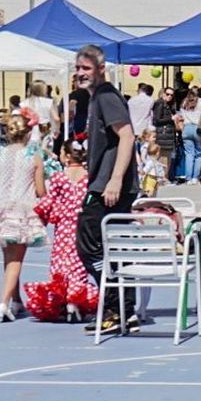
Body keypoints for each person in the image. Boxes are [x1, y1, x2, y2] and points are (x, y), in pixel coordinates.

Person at [74, 46, 140, 336]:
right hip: (102, 181)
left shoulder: (107, 96)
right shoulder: (96, 98)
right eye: (78, 68)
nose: (80, 74)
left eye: (86, 69)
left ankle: (114, 306)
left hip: (108, 186)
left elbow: (127, 135)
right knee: (115, 248)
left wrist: (115, 179)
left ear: (101, 69)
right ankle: (123, 309)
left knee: (89, 244)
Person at [0, 113, 46, 321]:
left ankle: (16, 299)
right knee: (16, 259)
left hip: (0, 209)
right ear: (28, 133)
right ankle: (4, 302)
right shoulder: (33, 156)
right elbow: (41, 191)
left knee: (8, 257)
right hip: (22, 210)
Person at [22, 142, 98, 322]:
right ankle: (75, 300)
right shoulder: (88, 178)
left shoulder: (59, 177)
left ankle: (65, 300)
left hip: (63, 228)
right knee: (79, 263)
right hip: (82, 226)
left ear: (67, 156)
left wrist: (38, 215)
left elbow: (48, 202)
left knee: (61, 263)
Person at [175, 90, 201, 182]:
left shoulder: (184, 102)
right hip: (197, 128)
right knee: (199, 154)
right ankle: (195, 177)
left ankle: (188, 178)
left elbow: (180, 117)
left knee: (189, 154)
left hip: (186, 128)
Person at [152, 86, 177, 181]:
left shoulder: (167, 105)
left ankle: (164, 177)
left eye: (171, 95)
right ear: (163, 94)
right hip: (163, 133)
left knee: (167, 157)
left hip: (167, 134)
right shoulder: (160, 104)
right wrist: (171, 118)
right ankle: (162, 177)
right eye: (168, 94)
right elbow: (157, 119)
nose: (169, 96)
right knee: (163, 157)